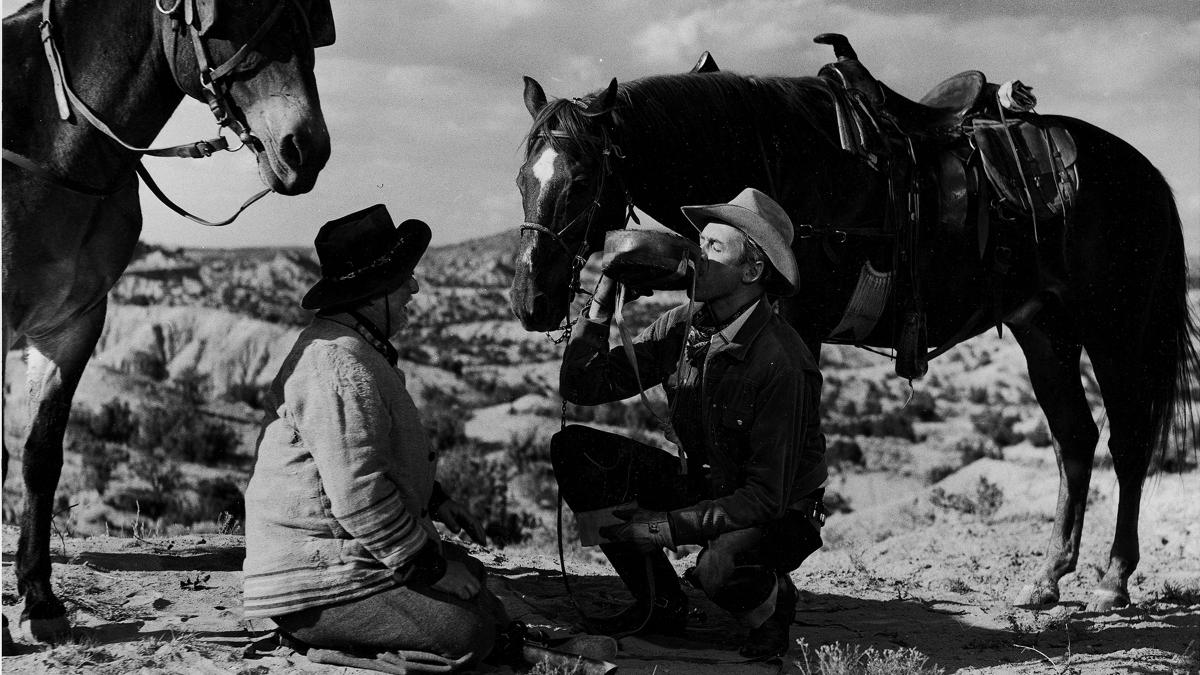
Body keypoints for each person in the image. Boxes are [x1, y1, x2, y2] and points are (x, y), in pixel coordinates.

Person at [556, 187, 828, 659]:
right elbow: (581, 386)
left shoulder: (782, 362)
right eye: (698, 244)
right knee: (574, 450)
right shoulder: (683, 325)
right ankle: (660, 601)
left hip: (777, 512)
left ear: (752, 269)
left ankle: (770, 604)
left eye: (714, 248)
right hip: (707, 487)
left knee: (719, 567)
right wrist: (602, 300)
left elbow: (765, 496)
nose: (696, 257)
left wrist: (661, 528)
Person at [242, 204, 506, 667]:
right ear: (372, 293)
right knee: (472, 630)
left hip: (340, 556)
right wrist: (431, 567)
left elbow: (366, 456)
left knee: (476, 582)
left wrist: (438, 500)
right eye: (402, 279)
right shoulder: (340, 364)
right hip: (315, 579)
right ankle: (324, 642)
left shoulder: (350, 349)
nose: (413, 287)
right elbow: (358, 492)